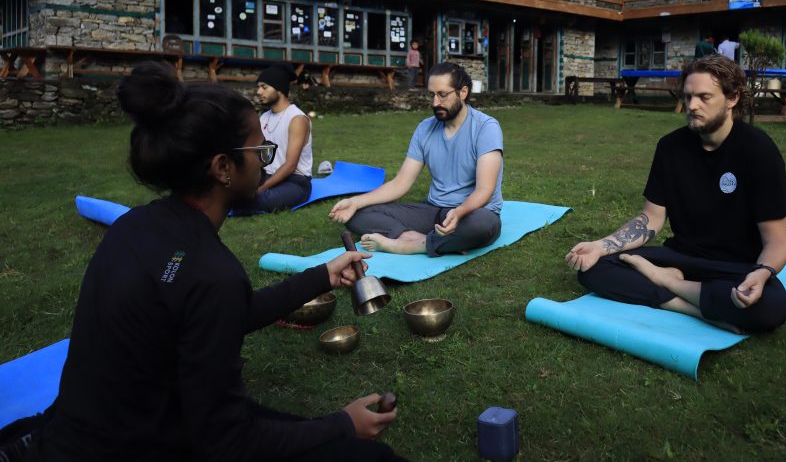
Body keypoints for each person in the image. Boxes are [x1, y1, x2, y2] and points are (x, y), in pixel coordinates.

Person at [3, 61, 405, 461]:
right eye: (260, 151)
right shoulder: (210, 273)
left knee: (294, 428)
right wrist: (342, 425)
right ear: (223, 168)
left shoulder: (135, 225)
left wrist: (321, 276)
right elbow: (227, 443)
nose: (265, 162)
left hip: (91, 427)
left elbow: (216, 314)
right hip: (137, 445)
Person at [565, 54, 786, 334]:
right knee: (595, 268)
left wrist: (761, 273)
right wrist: (601, 246)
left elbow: (778, 242)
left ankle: (668, 284)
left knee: (771, 306)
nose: (692, 106)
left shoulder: (759, 151)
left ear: (732, 99)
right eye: (688, 96)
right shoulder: (671, 148)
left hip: (735, 267)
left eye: (704, 97)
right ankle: (691, 307)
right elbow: (651, 218)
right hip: (681, 256)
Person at [330, 61, 503, 257]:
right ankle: (411, 237)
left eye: (443, 95)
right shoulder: (425, 129)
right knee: (357, 214)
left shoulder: (486, 127)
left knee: (482, 225)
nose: (435, 103)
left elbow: (485, 190)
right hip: (433, 210)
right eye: (432, 95)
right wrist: (355, 202)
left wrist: (460, 212)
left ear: (463, 92)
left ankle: (414, 245)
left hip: (471, 212)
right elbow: (401, 183)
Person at [235, 63, 313, 213]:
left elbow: (290, 166)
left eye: (264, 87)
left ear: (279, 89)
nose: (258, 92)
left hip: (295, 181)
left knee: (257, 200)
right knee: (232, 190)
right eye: (258, 87)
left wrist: (260, 189)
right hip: (266, 175)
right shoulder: (264, 117)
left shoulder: (296, 119)